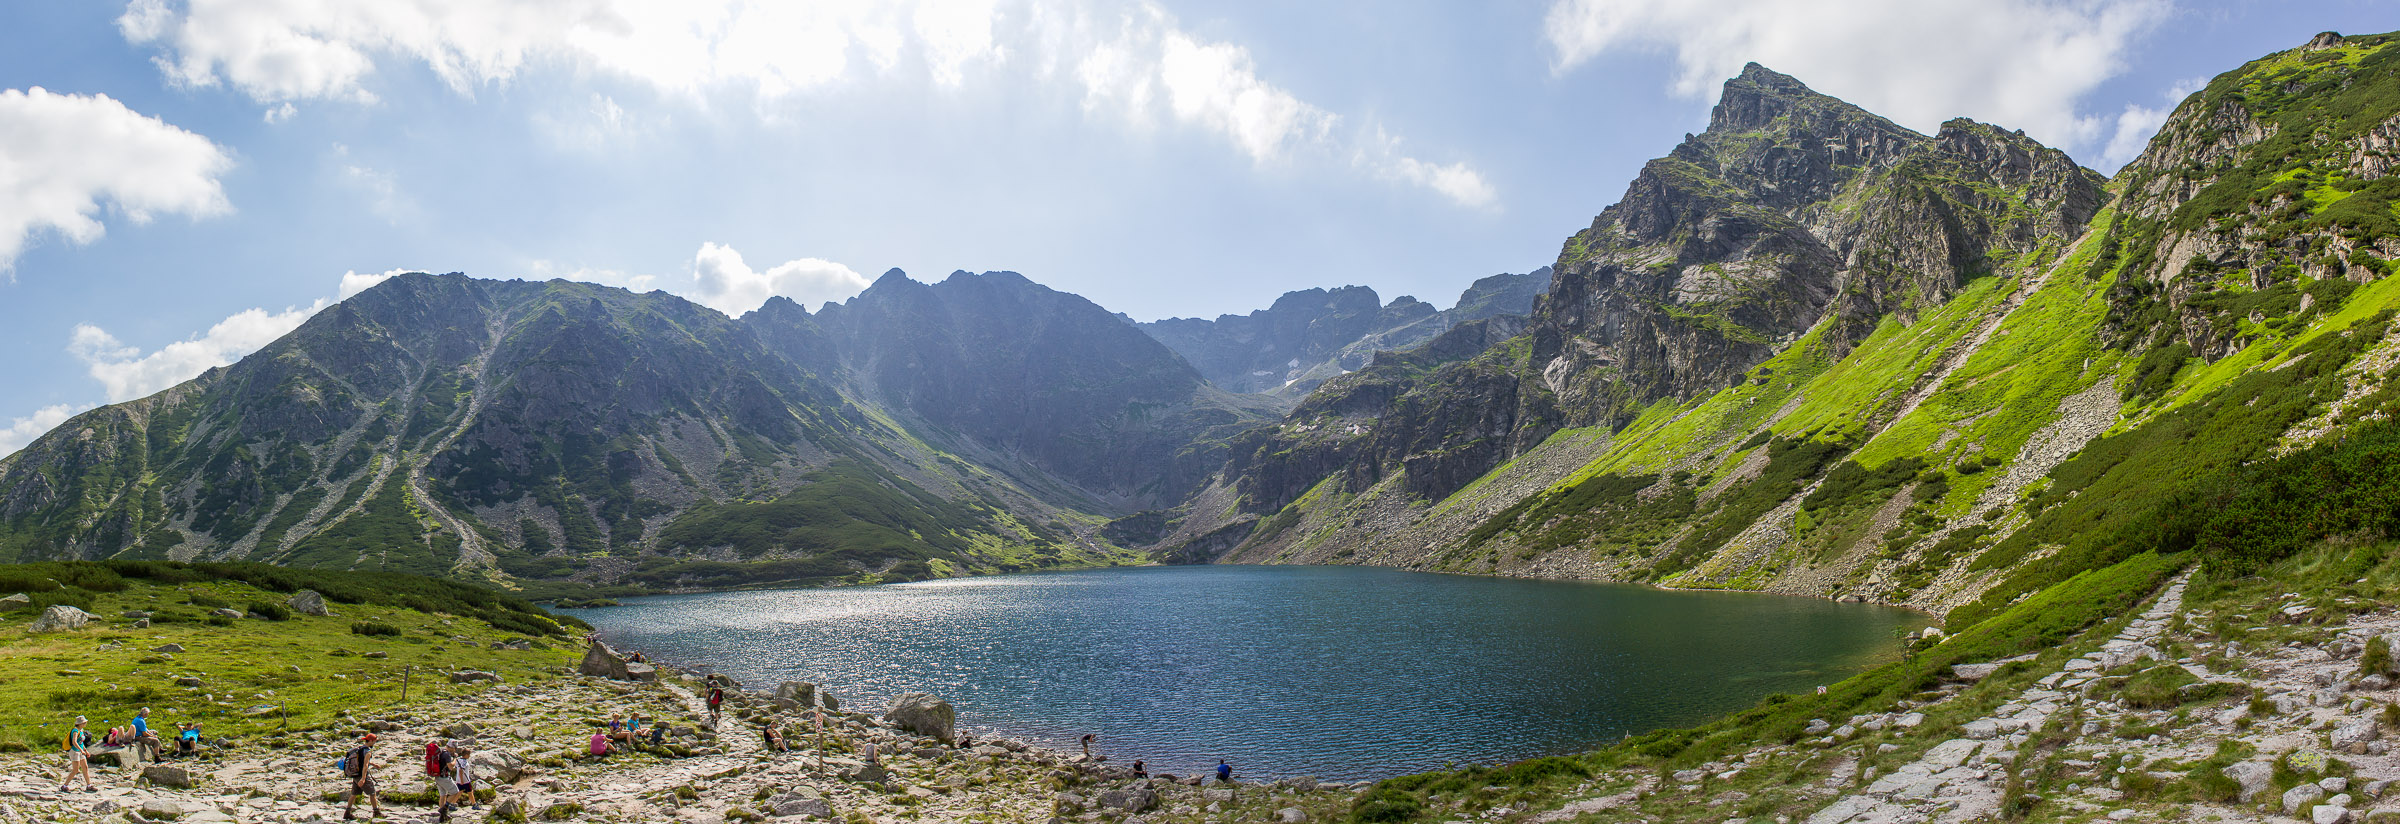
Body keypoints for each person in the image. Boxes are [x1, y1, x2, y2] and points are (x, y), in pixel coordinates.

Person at [342, 733, 382, 821]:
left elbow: (360, 761)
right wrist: (363, 778)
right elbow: (365, 765)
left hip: (355, 775)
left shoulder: (359, 749)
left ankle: (347, 813)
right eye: (374, 741)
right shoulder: (368, 751)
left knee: (353, 794)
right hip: (362, 776)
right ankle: (376, 812)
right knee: (372, 793)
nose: (375, 742)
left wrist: (374, 764)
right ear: (371, 741)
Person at [62, 716, 97, 792]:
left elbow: (81, 742)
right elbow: (74, 742)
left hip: (80, 751)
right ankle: (65, 785)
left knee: (85, 767)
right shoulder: (75, 731)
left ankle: (89, 785)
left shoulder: (81, 730)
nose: (85, 723)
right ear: (80, 723)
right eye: (84, 722)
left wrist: (85, 750)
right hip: (74, 751)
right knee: (75, 770)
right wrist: (81, 750)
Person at [432, 742, 461, 822]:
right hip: (444, 778)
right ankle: (445, 808)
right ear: (452, 747)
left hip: (437, 777)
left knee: (443, 795)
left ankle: (442, 817)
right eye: (454, 748)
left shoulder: (441, 751)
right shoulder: (447, 754)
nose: (455, 750)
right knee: (455, 792)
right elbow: (451, 767)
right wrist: (455, 759)